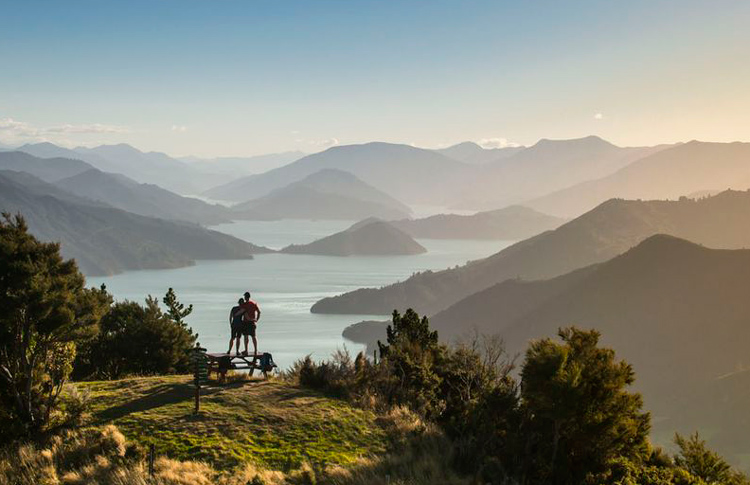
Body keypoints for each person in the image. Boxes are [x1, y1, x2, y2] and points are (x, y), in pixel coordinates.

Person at [240, 291, 261, 357]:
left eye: (245, 297)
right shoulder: (254, 303)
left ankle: (246, 350)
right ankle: (256, 350)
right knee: (253, 337)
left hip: (246, 322)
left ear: (245, 297)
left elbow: (242, 312)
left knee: (246, 337)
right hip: (252, 322)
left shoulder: (244, 305)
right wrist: (256, 319)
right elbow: (259, 312)